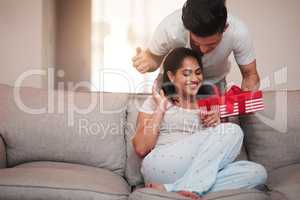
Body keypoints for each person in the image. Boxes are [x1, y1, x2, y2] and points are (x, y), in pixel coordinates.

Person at [132, 48, 267, 200]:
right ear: (171, 76)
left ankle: (174, 189)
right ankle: (191, 187)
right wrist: (161, 108)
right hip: (161, 165)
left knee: (257, 173)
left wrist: (217, 122)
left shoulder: (209, 104)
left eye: (197, 72)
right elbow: (141, 148)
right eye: (186, 73)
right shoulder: (155, 102)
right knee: (233, 131)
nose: (195, 78)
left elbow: (216, 155)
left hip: (192, 171)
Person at [132, 0, 260, 92]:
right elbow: (153, 59)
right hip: (173, 82)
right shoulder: (170, 28)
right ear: (186, 28)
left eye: (211, 44)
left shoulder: (238, 31)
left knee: (215, 125)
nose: (203, 49)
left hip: (213, 82)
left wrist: (248, 95)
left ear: (225, 28)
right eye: (197, 43)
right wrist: (146, 62)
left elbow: (250, 75)